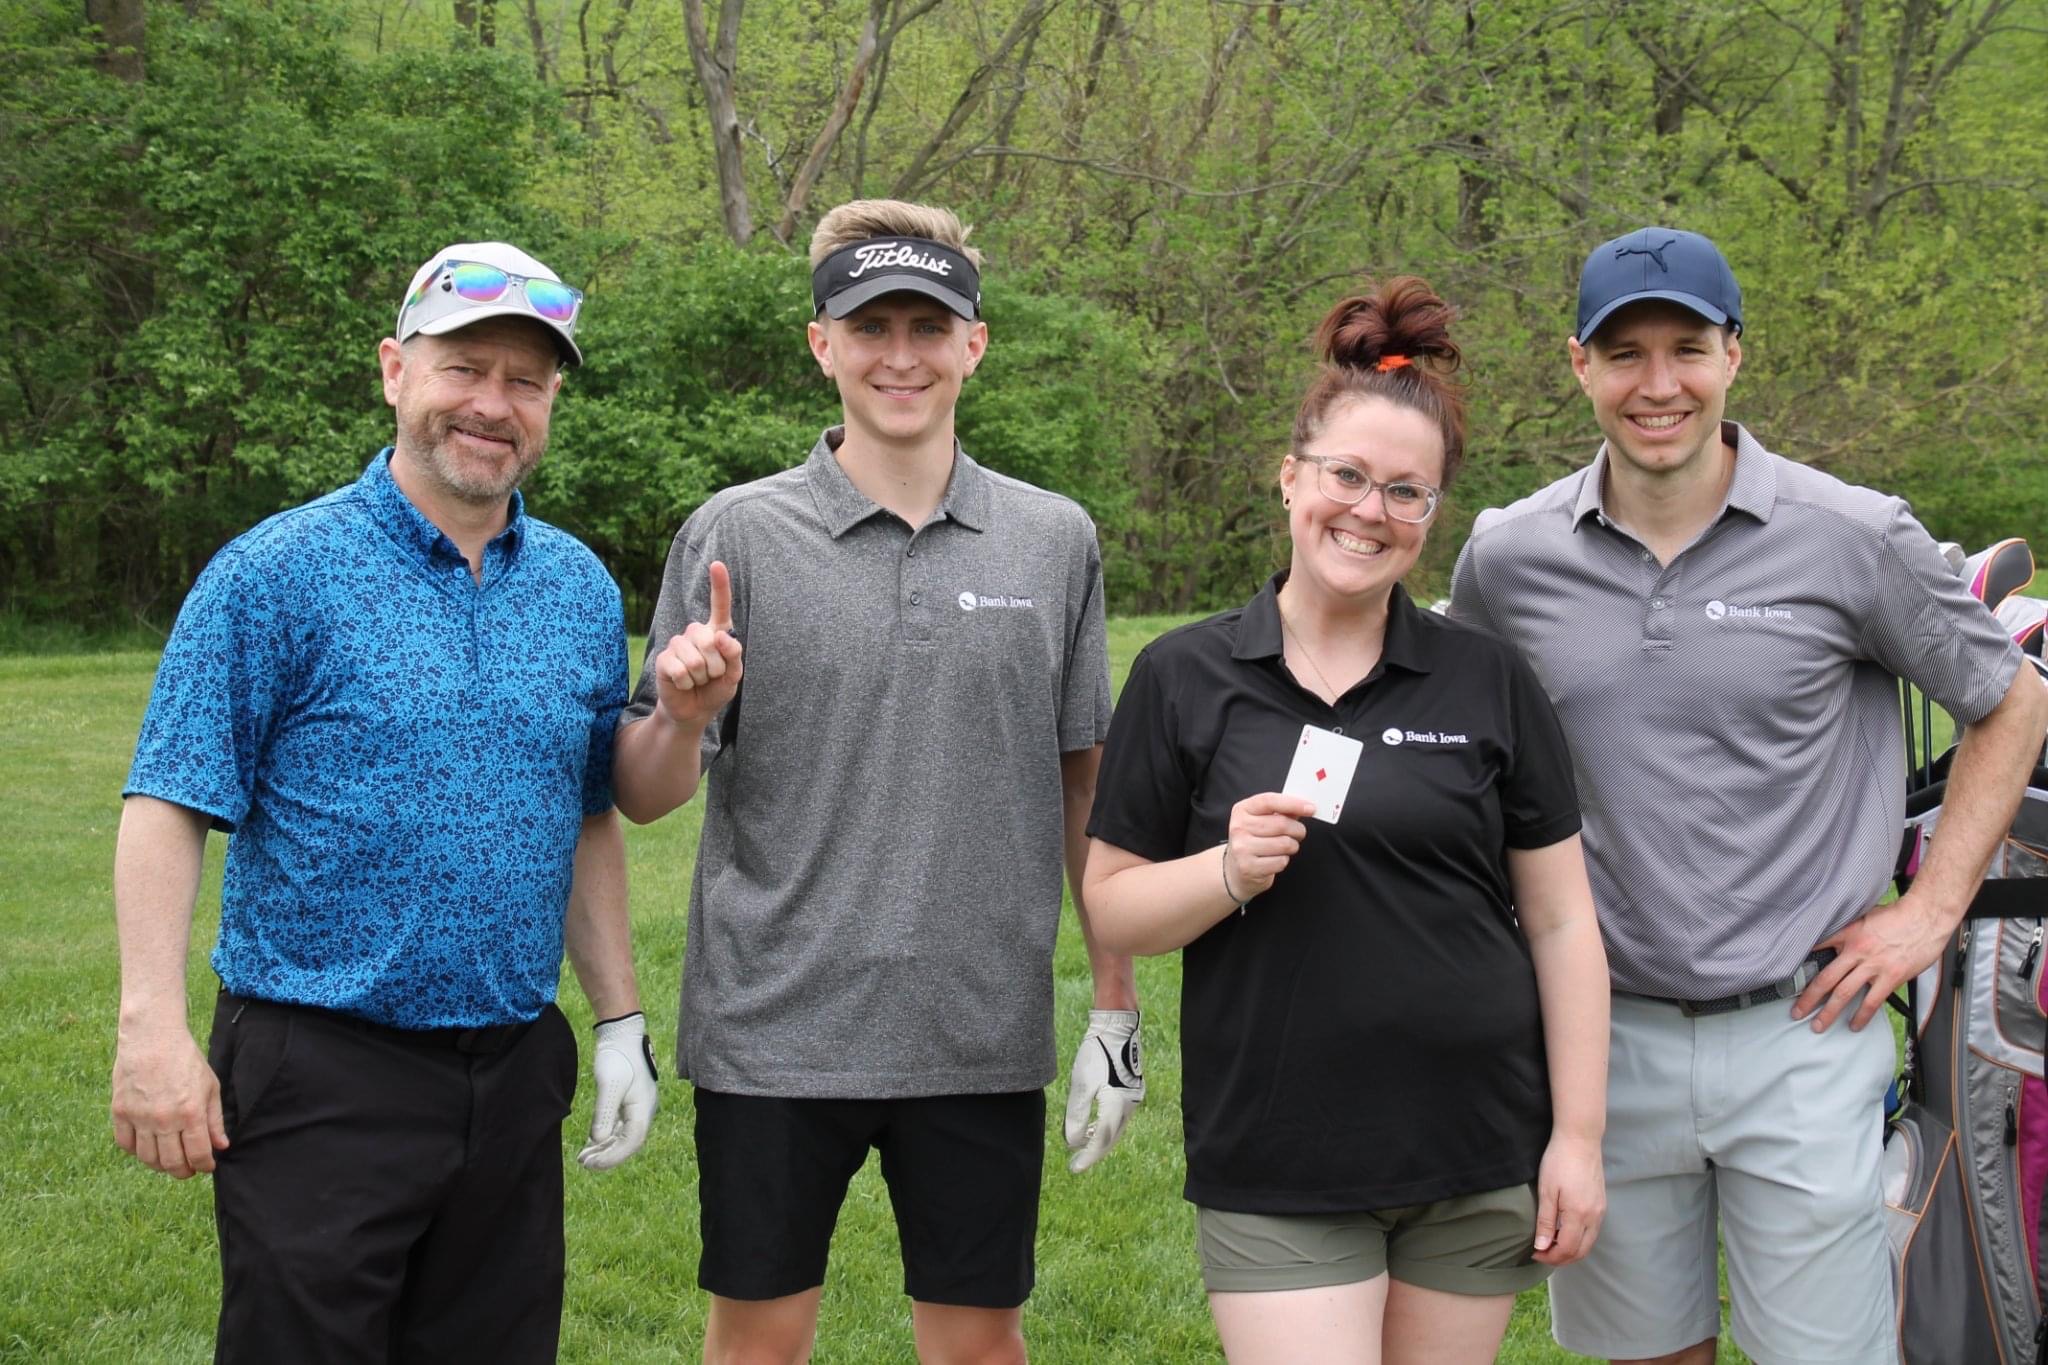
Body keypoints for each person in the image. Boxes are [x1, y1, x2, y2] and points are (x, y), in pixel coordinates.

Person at [1450, 226, 2048, 1365]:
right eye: (1622, 354)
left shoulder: (1853, 536)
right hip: (1598, 1038)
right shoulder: (1507, 556)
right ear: (1576, 365)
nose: (1656, 384)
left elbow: (2010, 700)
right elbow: (1453, 738)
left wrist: (1925, 916)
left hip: (1803, 1026)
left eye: (1686, 347)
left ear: (1734, 355)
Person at [610, 198, 1140, 1365]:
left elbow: (1083, 783)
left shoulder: (1053, 540)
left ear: (972, 344)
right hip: (773, 1025)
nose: (898, 355)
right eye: (869, 327)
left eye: (926, 325)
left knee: (975, 1346)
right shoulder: (733, 533)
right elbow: (646, 792)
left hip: (973, 1025)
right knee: (756, 1342)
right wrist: (683, 711)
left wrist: (1114, 1001)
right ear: (822, 345)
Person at [110, 241, 659, 1364]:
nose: (492, 405)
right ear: (394, 370)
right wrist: (150, 1030)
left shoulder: (576, 588)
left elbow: (588, 810)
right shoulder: (277, 573)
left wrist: (619, 1021)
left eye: (525, 380)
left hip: (512, 1072)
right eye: (464, 368)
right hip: (321, 1069)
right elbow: (168, 801)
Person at [1083, 276, 1611, 1365]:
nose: (1368, 511)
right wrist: (1224, 871)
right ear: (1289, 479)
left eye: (1404, 492)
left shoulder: (1485, 680)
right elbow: (1114, 910)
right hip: (1280, 1159)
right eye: (1346, 476)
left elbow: (1561, 925)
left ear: (1431, 516)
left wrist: (1577, 1139)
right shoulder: (1184, 677)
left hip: (1473, 1152)